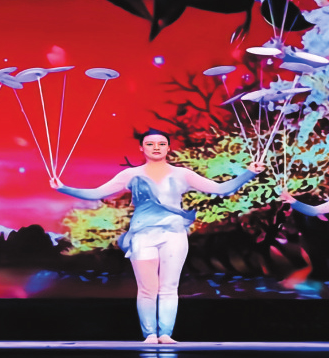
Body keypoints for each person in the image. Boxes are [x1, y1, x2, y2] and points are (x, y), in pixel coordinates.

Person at [50, 128, 264, 344]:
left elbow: (221, 189)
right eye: (150, 144)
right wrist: (63, 188)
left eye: (161, 144)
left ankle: (166, 334)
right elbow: (98, 193)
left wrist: (250, 173)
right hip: (143, 235)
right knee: (147, 288)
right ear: (141, 148)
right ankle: (150, 334)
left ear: (168, 148)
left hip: (173, 234)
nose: (156, 148)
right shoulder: (130, 175)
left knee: (169, 287)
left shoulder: (182, 174)